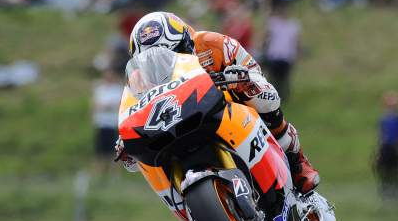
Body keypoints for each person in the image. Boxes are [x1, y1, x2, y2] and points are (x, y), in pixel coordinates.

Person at [114, 11, 320, 193]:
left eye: (172, 51)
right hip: (175, 120)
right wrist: (127, 142)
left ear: (186, 41)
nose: (162, 63)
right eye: (152, 61)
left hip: (221, 102)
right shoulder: (138, 79)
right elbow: (135, 113)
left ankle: (297, 161)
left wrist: (242, 81)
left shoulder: (212, 44)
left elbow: (258, 79)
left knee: (263, 99)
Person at [374, 91, 398, 200]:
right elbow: (381, 134)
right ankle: (385, 194)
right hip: (385, 148)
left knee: (397, 172)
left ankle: (397, 195)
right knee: (384, 172)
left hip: (396, 148)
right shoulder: (384, 118)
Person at [90, 69, 125, 173]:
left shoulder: (118, 90)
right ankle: (98, 172)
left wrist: (107, 106)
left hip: (113, 124)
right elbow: (94, 105)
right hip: (101, 124)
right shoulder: (100, 90)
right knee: (99, 151)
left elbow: (120, 104)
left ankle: (114, 174)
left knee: (115, 151)